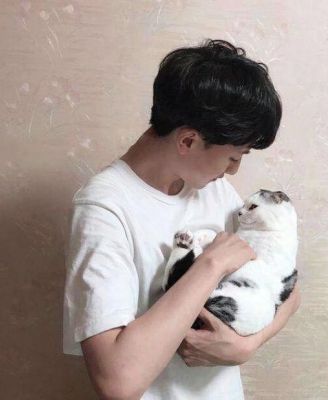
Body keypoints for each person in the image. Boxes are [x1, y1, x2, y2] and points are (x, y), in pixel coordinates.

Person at [62, 38, 301, 400]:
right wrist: (210, 265)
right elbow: (118, 382)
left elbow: (286, 287)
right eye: (234, 157)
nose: (234, 171)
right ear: (188, 141)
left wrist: (245, 346)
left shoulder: (212, 189)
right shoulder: (104, 208)